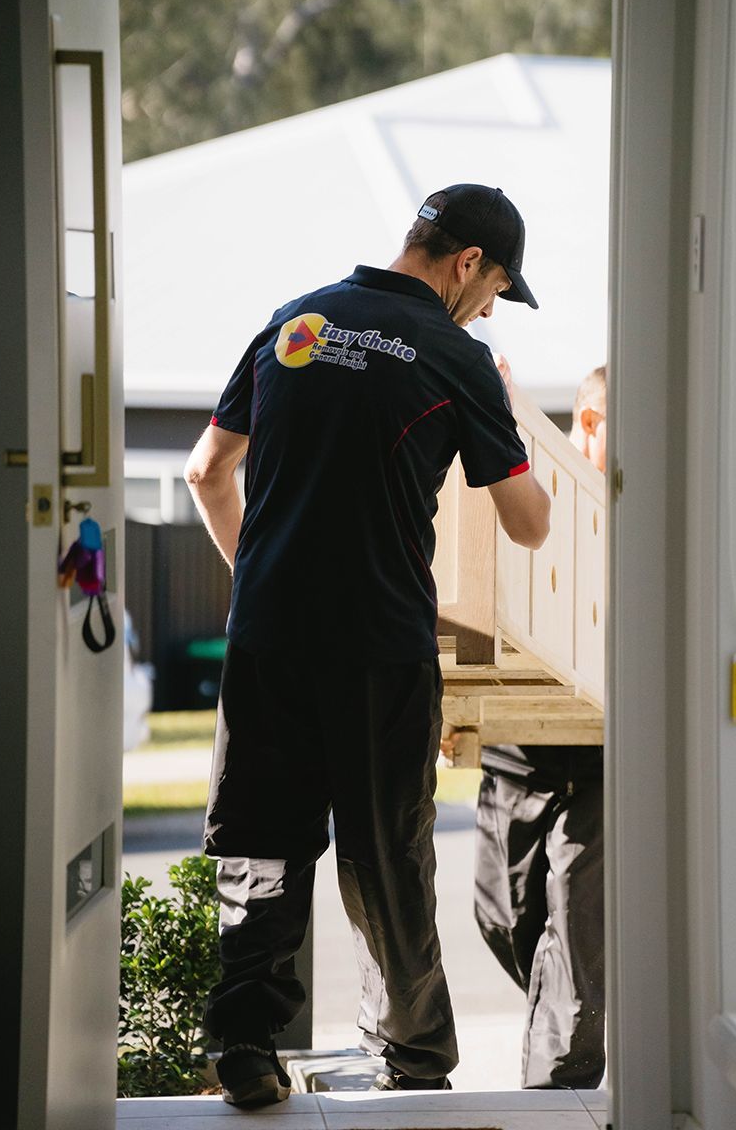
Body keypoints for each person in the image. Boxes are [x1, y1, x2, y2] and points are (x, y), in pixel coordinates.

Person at [184, 183, 551, 1108]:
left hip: (267, 638)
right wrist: (504, 410)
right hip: (378, 644)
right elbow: (531, 523)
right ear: (468, 262)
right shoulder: (456, 356)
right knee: (387, 857)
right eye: (496, 289)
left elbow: (206, 470)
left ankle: (247, 1046)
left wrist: (258, 576)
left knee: (261, 843)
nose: (490, 309)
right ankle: (413, 1063)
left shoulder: (293, 323)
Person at [473, 363, 607, 1090]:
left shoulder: (643, 509)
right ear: (589, 422)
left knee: (578, 927)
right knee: (501, 915)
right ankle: (563, 1016)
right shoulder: (530, 481)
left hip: (601, 758)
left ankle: (561, 1089)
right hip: (517, 752)